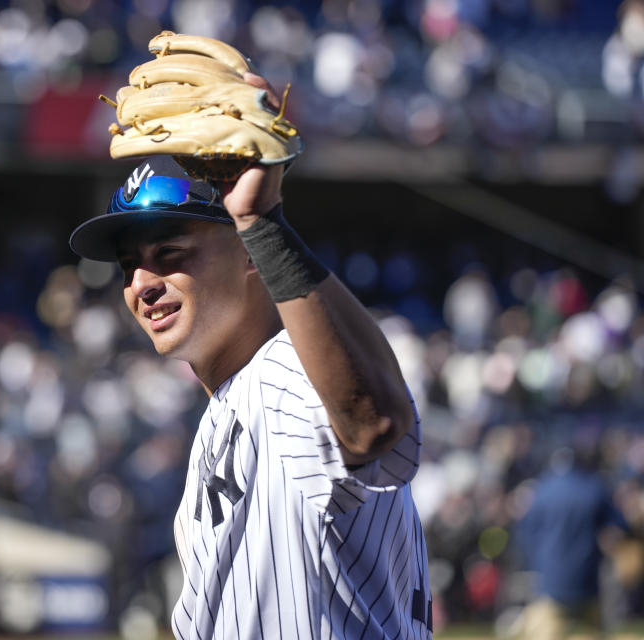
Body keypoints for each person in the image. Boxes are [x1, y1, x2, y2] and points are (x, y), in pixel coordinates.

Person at [68, 74, 430, 639]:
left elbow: (371, 423)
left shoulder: (282, 370)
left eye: (170, 253)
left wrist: (264, 223)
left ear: (251, 259)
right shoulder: (232, 401)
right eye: (128, 266)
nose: (142, 282)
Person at [511, 446, 628, 640]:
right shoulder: (594, 487)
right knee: (593, 632)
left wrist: (537, 562)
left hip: (550, 579)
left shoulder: (541, 490)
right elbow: (618, 526)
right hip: (587, 577)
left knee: (544, 632)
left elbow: (524, 534)